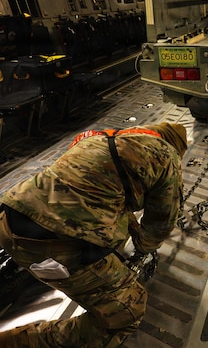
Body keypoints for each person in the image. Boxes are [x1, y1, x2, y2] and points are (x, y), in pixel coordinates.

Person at [0, 122, 188, 348]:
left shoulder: (100, 137)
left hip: (9, 218)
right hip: (55, 245)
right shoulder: (166, 155)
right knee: (126, 313)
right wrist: (143, 248)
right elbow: (161, 222)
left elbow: (97, 193)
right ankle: (16, 342)